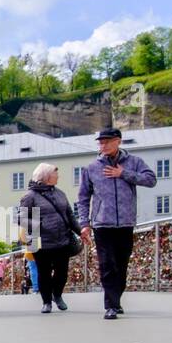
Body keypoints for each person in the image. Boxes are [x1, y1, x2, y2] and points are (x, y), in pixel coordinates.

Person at [77, 127, 157, 319]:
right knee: (107, 264)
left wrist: (124, 174)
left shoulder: (134, 162)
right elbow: (83, 197)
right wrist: (84, 223)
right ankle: (110, 305)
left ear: (118, 141)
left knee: (121, 265)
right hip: (102, 224)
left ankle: (116, 300)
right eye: (100, 142)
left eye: (106, 141)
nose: (102, 145)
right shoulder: (91, 167)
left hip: (126, 223)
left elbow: (151, 180)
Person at [18, 162, 82, 313]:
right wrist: (38, 224)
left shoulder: (60, 193)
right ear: (46, 177)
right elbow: (21, 217)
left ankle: (57, 295)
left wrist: (81, 231)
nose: (58, 176)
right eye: (55, 174)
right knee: (43, 273)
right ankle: (46, 302)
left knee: (62, 272)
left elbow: (70, 215)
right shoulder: (30, 196)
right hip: (40, 242)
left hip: (62, 240)